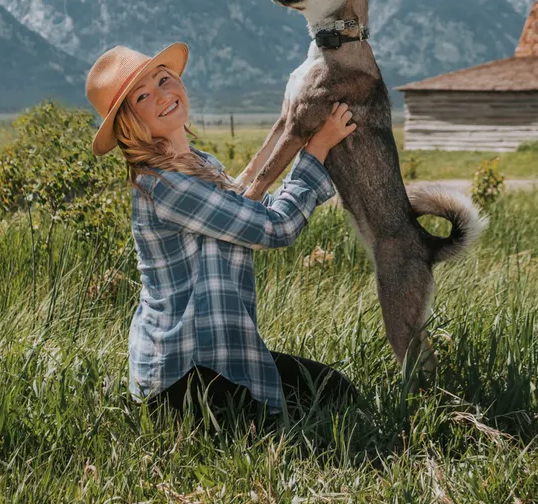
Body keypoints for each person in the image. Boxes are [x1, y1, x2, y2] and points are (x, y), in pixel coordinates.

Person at [85, 42, 359, 419]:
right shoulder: (165, 185)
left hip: (219, 348)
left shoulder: (199, 164)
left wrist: (292, 130)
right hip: (183, 370)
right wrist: (317, 150)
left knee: (336, 391)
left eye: (164, 80)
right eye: (143, 96)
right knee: (282, 423)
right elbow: (276, 228)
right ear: (130, 124)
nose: (163, 95)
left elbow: (248, 209)